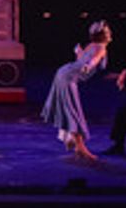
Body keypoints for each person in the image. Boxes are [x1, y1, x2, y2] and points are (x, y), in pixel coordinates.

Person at [41, 20, 113, 162]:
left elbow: (81, 59)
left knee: (71, 111)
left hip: (64, 73)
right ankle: (80, 148)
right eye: (108, 31)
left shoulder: (92, 45)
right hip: (68, 77)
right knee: (73, 113)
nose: (111, 33)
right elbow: (94, 60)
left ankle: (73, 142)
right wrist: (89, 65)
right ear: (104, 35)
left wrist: (79, 53)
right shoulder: (101, 48)